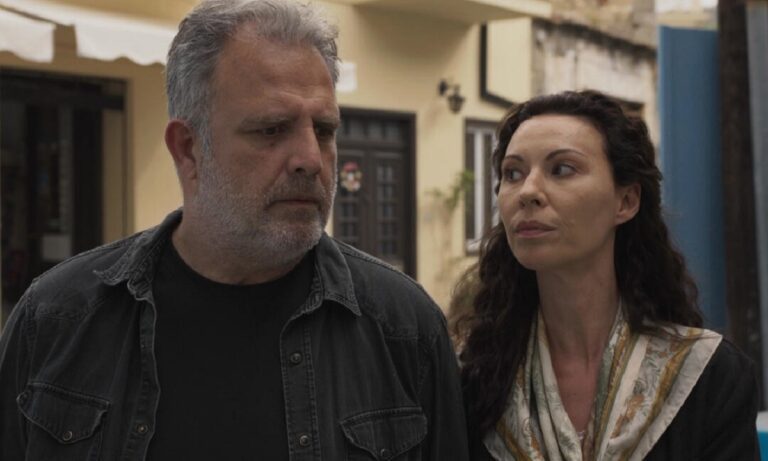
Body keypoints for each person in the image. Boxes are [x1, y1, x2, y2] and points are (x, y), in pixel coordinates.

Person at [0, 1, 469, 459]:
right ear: (188, 149)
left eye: (324, 130)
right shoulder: (56, 320)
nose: (311, 159)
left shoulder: (405, 331)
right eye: (272, 129)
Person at [453, 90, 759, 460]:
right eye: (513, 173)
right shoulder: (470, 379)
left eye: (562, 169)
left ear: (626, 201)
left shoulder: (706, 375)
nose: (528, 191)